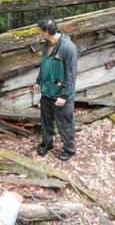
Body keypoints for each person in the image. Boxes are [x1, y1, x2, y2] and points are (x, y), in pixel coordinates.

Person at [33, 16, 78, 161]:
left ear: (46, 31)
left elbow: (71, 74)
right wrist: (38, 82)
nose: (40, 33)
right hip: (47, 90)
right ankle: (47, 144)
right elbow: (44, 65)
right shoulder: (46, 44)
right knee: (46, 120)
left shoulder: (68, 47)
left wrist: (64, 96)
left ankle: (70, 149)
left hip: (61, 94)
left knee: (64, 122)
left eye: (41, 31)